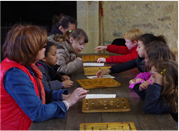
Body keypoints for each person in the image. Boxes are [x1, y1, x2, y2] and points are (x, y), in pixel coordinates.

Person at [0, 24, 88, 131]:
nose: (45, 50)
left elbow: (37, 90)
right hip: (18, 127)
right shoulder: (14, 73)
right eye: (43, 47)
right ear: (31, 48)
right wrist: (68, 103)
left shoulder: (26, 64)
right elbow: (37, 112)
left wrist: (62, 96)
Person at [96, 33, 167, 78]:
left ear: (148, 48)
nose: (136, 49)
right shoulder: (140, 59)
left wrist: (138, 83)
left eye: (139, 46)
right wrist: (108, 70)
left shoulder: (159, 65)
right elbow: (127, 65)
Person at [133, 60, 179, 127]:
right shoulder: (166, 88)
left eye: (153, 76)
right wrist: (141, 89)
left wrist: (156, 85)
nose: (150, 79)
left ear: (166, 79)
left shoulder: (175, 98)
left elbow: (150, 107)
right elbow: (148, 98)